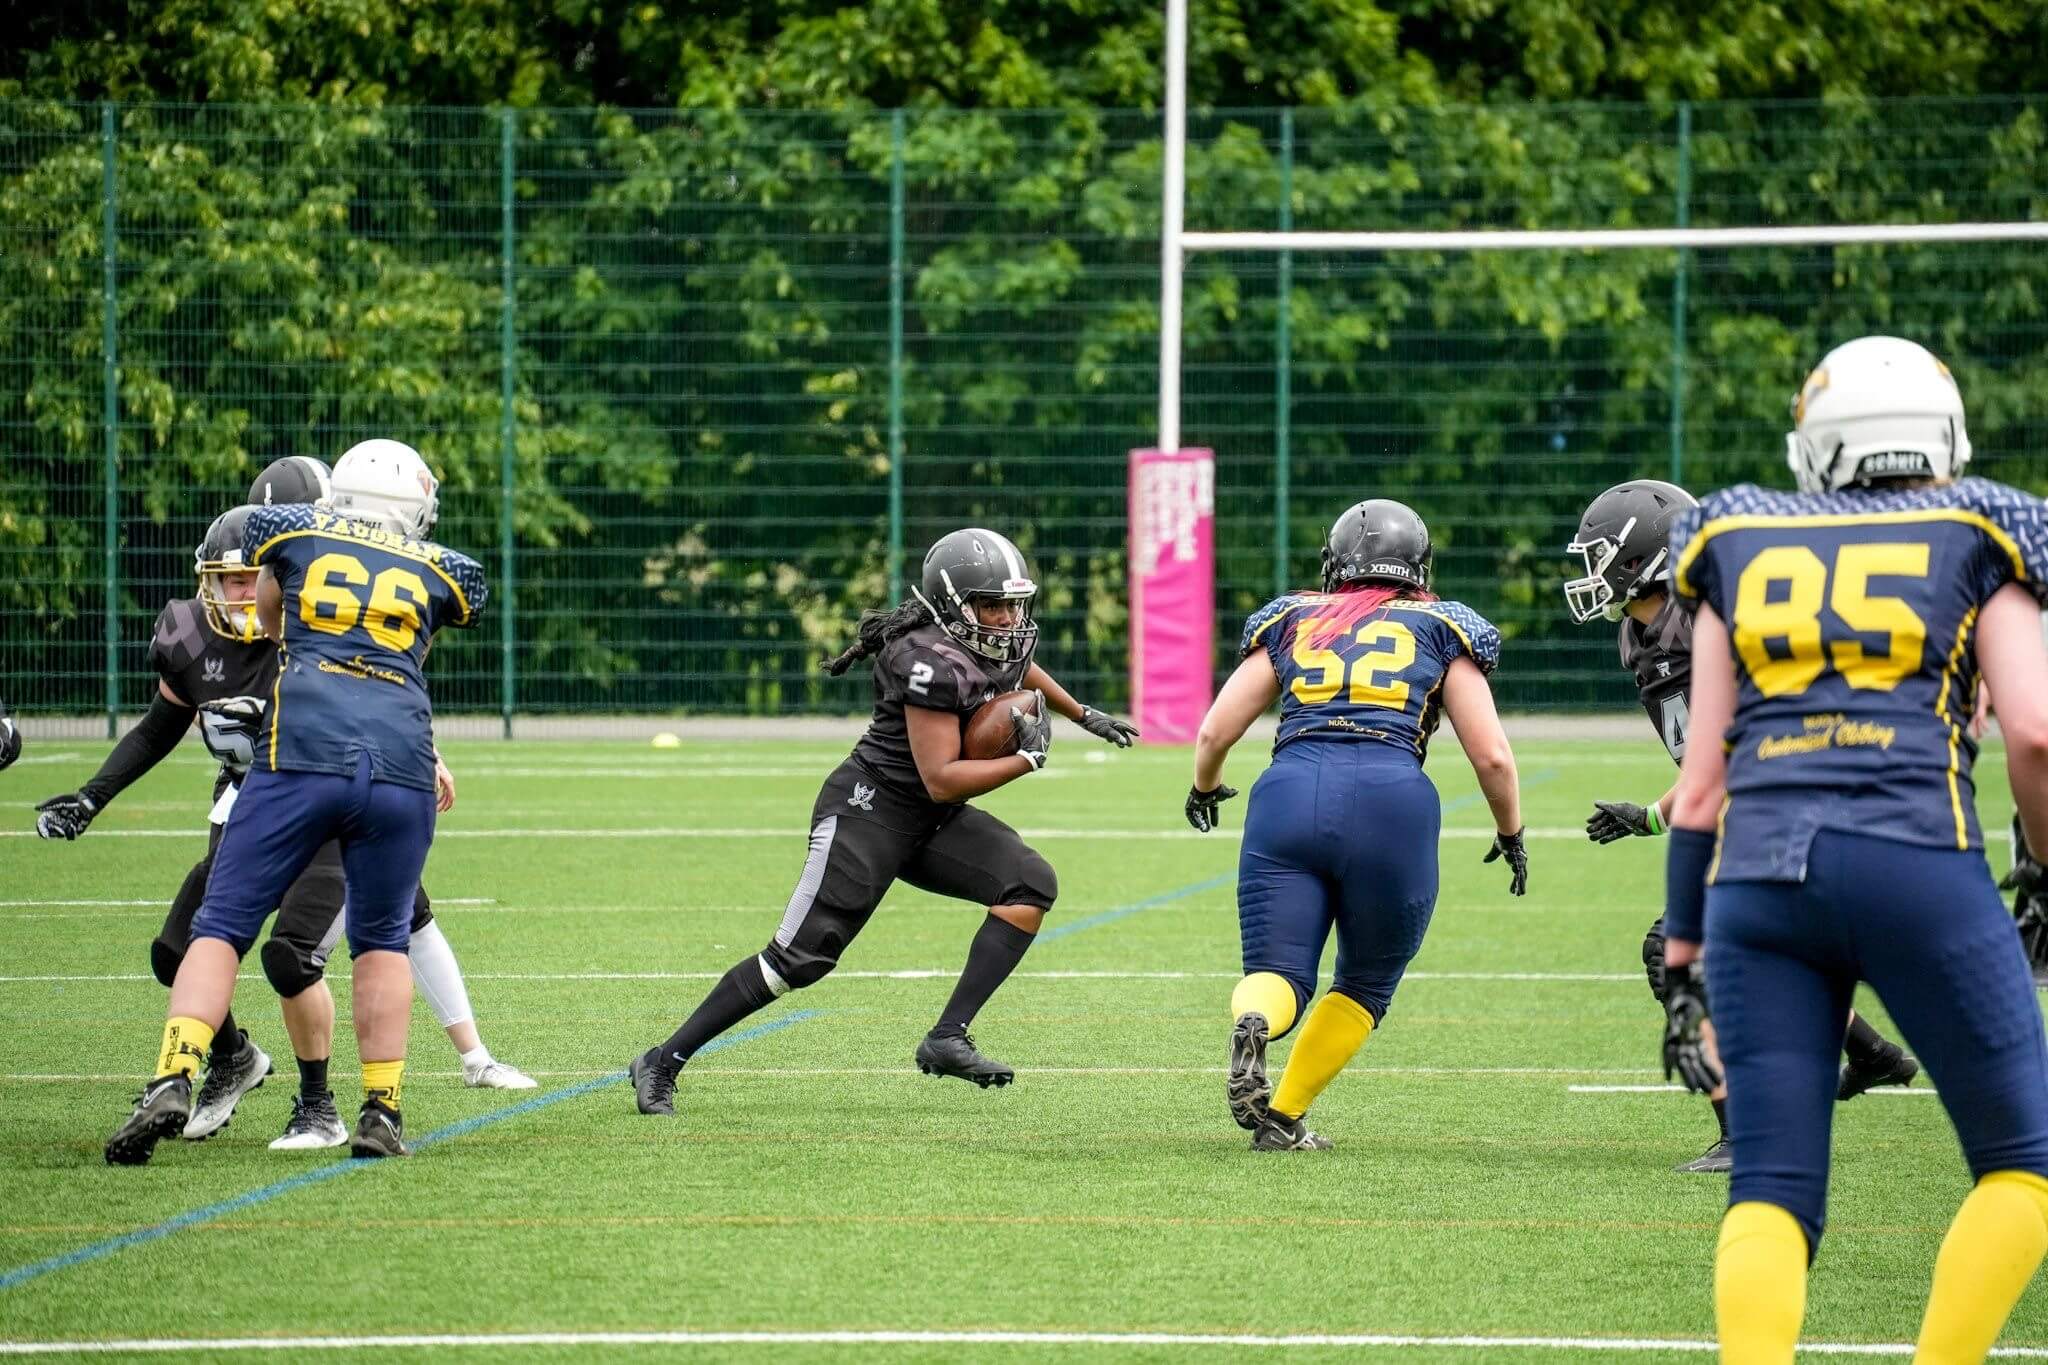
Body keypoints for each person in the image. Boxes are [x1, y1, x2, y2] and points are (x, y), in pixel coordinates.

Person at [1660, 335, 2048, 1360]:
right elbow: (2036, 732)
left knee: (1772, 1188)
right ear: (1943, 435)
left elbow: (1698, 787)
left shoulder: (1736, 533)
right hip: (1915, 857)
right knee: (2023, 1162)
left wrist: (1683, 958)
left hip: (1758, 880)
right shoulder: (1984, 524)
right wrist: (2044, 875)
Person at [39, 463, 529, 1153]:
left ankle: (267, 1091)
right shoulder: (430, 567)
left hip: (298, 769)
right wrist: (94, 794)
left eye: (252, 577)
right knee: (340, 937)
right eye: (230, 579)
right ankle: (346, 1097)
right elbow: (451, 604)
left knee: (267, 938)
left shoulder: (295, 562)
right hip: (357, 773)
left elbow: (304, 621)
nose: (242, 589)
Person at [627, 528, 1138, 1116]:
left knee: (1029, 884)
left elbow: (1022, 671)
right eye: (991, 604)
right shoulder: (925, 661)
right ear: (952, 605)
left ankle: (947, 1037)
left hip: (932, 820)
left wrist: (1084, 714)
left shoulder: (989, 638)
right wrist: (1026, 760)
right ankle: (662, 1060)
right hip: (869, 811)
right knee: (799, 960)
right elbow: (941, 778)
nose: (1006, 618)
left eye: (1012, 604)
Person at [1565, 479, 1915, 1175]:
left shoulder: (1714, 620)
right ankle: (1872, 1054)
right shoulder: (1642, 632)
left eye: (1601, 555)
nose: (1591, 572)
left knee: (1678, 950)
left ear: (1642, 556)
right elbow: (1711, 755)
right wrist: (1650, 816)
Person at [1184, 499, 1527, 1151]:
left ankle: (1255, 1017)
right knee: (1364, 984)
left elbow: (1214, 731)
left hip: (1289, 792)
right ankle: (1282, 1118)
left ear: (1335, 562)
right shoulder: (1442, 626)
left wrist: (1204, 786)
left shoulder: (1293, 617)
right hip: (1393, 801)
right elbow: (1492, 756)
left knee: (1278, 970)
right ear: (1419, 567)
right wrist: (1510, 832)